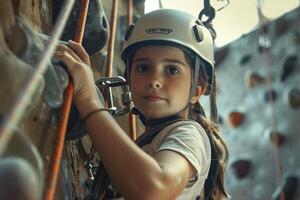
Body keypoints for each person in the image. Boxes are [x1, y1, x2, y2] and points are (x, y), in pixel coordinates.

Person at [55, 8, 229, 200]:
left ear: (197, 89)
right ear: (129, 78)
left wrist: (89, 101)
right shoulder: (151, 144)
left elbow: (154, 189)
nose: (154, 79)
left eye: (171, 70)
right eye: (143, 67)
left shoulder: (189, 135)